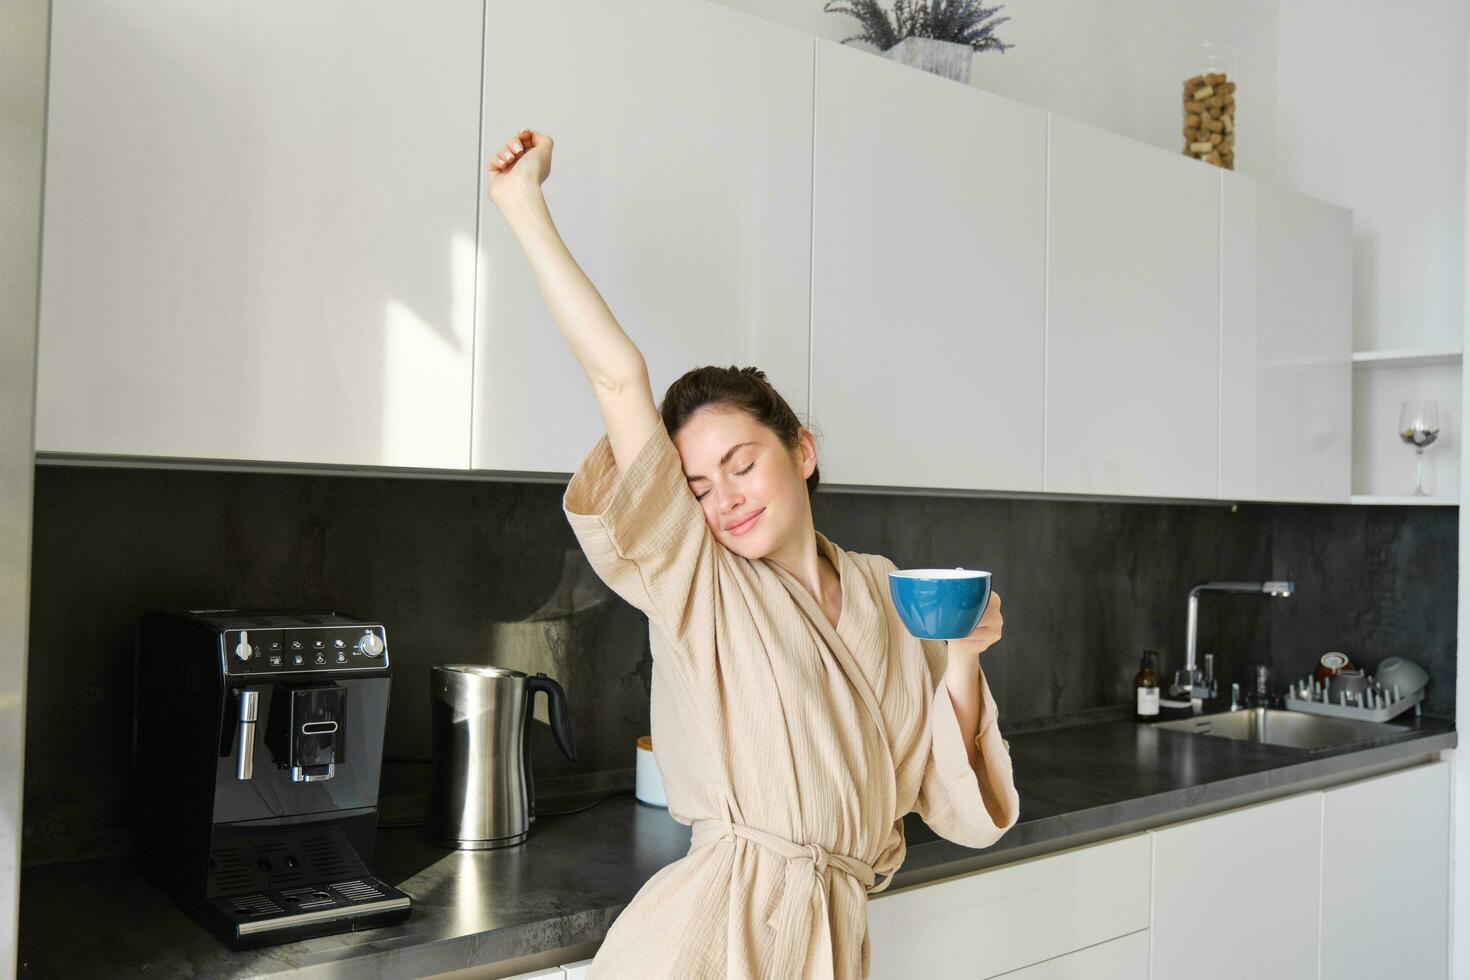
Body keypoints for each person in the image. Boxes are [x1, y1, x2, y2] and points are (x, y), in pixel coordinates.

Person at [486, 128, 1019, 980]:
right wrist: (526, 206)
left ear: (800, 451)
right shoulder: (699, 580)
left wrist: (963, 654)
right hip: (716, 936)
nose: (724, 497)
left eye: (743, 463)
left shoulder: (884, 590)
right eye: (697, 485)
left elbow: (936, 780)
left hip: (833, 937)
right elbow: (619, 377)